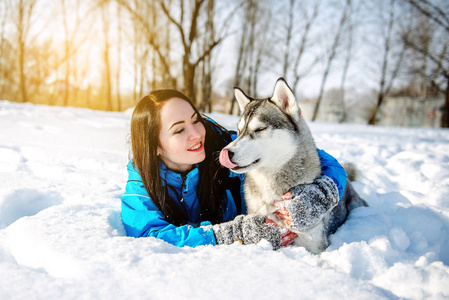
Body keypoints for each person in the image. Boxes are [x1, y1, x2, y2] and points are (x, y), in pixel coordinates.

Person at [121, 89, 347, 250]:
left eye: (195, 120)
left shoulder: (228, 147)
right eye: (179, 130)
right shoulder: (142, 183)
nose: (197, 134)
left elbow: (319, 159)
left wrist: (323, 191)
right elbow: (149, 236)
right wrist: (230, 235)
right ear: (155, 146)